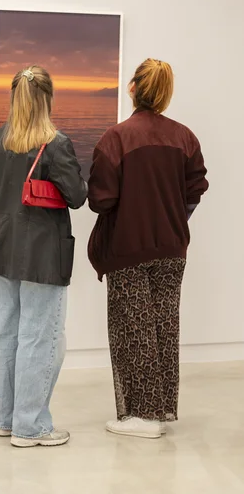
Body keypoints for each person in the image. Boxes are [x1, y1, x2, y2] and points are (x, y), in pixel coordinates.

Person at [88, 59, 209, 439]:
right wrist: (171, 216)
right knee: (164, 327)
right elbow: (196, 190)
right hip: (173, 248)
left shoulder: (116, 138)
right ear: (166, 93)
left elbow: (100, 200)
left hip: (129, 247)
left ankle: (142, 417)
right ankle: (161, 411)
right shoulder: (185, 138)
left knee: (133, 329)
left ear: (132, 88)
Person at [0, 65, 87, 448]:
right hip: (42, 256)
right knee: (40, 339)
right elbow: (77, 196)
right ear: (48, 98)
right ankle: (31, 427)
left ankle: (6, 420)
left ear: (15, 96)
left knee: (7, 335)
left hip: (1, 250)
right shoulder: (56, 144)